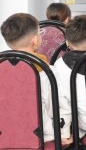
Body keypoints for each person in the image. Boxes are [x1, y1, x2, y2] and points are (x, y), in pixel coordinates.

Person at [1, 13, 69, 146]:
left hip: (4, 137)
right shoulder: (47, 72)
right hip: (42, 138)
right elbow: (57, 107)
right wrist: (62, 134)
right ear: (35, 40)